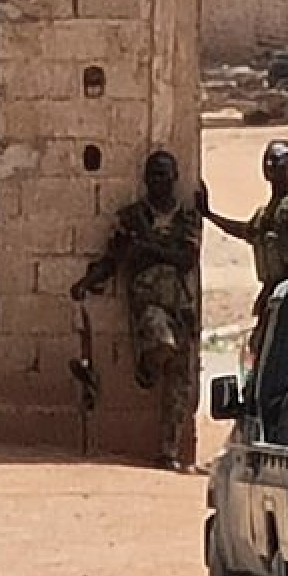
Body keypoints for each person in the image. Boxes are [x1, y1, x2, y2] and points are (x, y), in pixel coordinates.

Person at [71, 150, 202, 472]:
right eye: (154, 174)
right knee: (161, 342)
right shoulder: (131, 218)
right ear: (145, 179)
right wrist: (88, 282)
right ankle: (147, 366)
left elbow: (187, 259)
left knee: (179, 386)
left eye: (165, 175)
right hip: (149, 305)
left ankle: (168, 452)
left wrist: (146, 250)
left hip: (181, 307)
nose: (160, 181)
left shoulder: (187, 218)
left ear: (175, 178)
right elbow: (112, 259)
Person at [203, 139, 288, 351]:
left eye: (278, 160)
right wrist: (209, 215)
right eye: (267, 160)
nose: (270, 165)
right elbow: (245, 231)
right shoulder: (266, 213)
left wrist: (276, 290)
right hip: (274, 295)